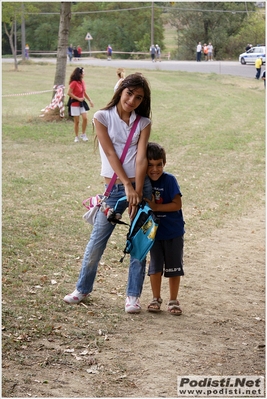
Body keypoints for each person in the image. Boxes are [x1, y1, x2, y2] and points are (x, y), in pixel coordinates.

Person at [63, 73, 152, 313]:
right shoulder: (101, 117)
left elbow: (142, 158)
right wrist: (126, 185)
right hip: (114, 188)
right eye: (129, 93)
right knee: (97, 241)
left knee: (139, 242)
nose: (132, 100)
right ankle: (82, 289)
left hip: (139, 188)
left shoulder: (143, 122)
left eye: (138, 97)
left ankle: (133, 297)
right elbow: (111, 154)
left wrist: (138, 192)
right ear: (120, 91)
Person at [144, 142, 185, 316]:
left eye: (159, 164)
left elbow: (177, 204)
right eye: (150, 165)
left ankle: (173, 300)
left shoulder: (169, 180)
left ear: (164, 163)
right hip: (153, 233)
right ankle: (156, 298)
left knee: (174, 267)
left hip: (173, 231)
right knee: (155, 266)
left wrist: (156, 207)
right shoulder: (143, 181)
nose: (155, 169)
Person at [67, 67, 94, 142]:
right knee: (77, 121)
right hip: (75, 103)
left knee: (85, 118)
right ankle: (76, 136)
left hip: (82, 103)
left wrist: (90, 100)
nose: (84, 74)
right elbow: (69, 93)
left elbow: (84, 92)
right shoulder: (74, 83)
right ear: (80, 74)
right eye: (83, 72)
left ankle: (83, 134)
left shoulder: (82, 82)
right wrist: (78, 98)